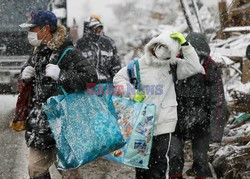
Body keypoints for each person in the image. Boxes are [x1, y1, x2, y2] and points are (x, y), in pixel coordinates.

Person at [113, 31, 205, 179]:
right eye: (161, 47)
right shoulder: (136, 66)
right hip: (141, 124)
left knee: (160, 163)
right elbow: (118, 79)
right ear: (153, 46)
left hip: (164, 122)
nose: (163, 52)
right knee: (141, 165)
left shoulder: (173, 66)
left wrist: (185, 45)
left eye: (169, 50)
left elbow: (194, 66)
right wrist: (132, 92)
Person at [19, 10, 97, 179]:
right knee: (35, 169)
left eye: (33, 29)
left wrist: (61, 75)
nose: (29, 33)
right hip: (40, 124)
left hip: (65, 122)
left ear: (45, 29)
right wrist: (23, 74)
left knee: (69, 172)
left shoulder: (69, 52)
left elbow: (91, 79)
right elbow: (25, 75)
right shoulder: (37, 52)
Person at [169, 32, 228, 179]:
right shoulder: (174, 64)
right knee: (174, 156)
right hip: (177, 118)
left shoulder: (210, 68)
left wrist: (216, 134)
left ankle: (201, 174)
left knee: (201, 160)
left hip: (201, 120)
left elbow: (218, 101)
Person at [76, 15, 121, 83]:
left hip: (107, 85)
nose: (98, 30)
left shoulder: (109, 43)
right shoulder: (80, 45)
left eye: (100, 27)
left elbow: (116, 66)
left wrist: (117, 82)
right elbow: (76, 67)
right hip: (87, 86)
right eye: (95, 28)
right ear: (88, 29)